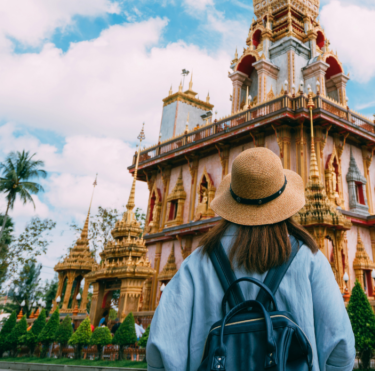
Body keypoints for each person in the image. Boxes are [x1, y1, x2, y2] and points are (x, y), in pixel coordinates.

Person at [145, 147, 355, 371]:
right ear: (283, 199)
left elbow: (161, 352)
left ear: (232, 200)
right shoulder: (310, 260)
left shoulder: (196, 264)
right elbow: (340, 349)